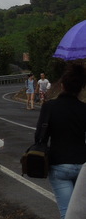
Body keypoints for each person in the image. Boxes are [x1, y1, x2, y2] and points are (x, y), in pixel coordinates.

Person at [34, 64, 86, 218]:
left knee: (67, 213)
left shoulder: (49, 107)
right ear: (81, 88)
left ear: (62, 85)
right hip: (83, 165)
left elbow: (39, 137)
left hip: (59, 164)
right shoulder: (84, 109)